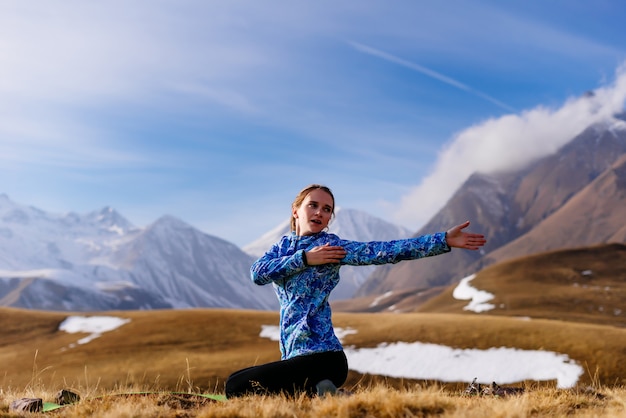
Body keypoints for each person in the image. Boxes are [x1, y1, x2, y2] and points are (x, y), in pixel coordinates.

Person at [225, 184, 486, 398]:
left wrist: (442, 240)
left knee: (236, 387)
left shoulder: (332, 248)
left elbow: (386, 251)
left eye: (327, 209)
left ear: (329, 218)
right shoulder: (282, 247)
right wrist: (305, 259)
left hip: (325, 357)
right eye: (313, 205)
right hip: (294, 358)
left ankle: (321, 391)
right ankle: (322, 394)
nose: (319, 212)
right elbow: (257, 273)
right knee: (236, 380)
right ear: (295, 211)